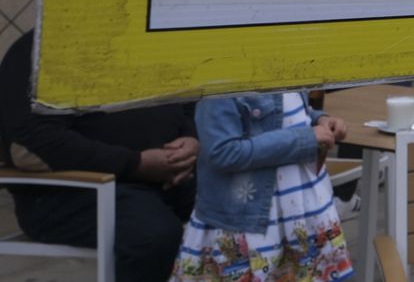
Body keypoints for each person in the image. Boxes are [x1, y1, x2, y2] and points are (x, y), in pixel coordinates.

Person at [0, 31, 197, 282]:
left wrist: (191, 141)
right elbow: (36, 138)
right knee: (153, 235)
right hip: (73, 192)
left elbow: (188, 99)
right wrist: (136, 164)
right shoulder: (39, 49)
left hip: (167, 176)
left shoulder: (143, 40)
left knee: (244, 206)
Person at [174, 92, 353, 281]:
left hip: (298, 214)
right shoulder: (222, 83)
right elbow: (223, 152)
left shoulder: (284, 69)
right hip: (249, 222)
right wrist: (303, 138)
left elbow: (289, 112)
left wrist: (320, 119)